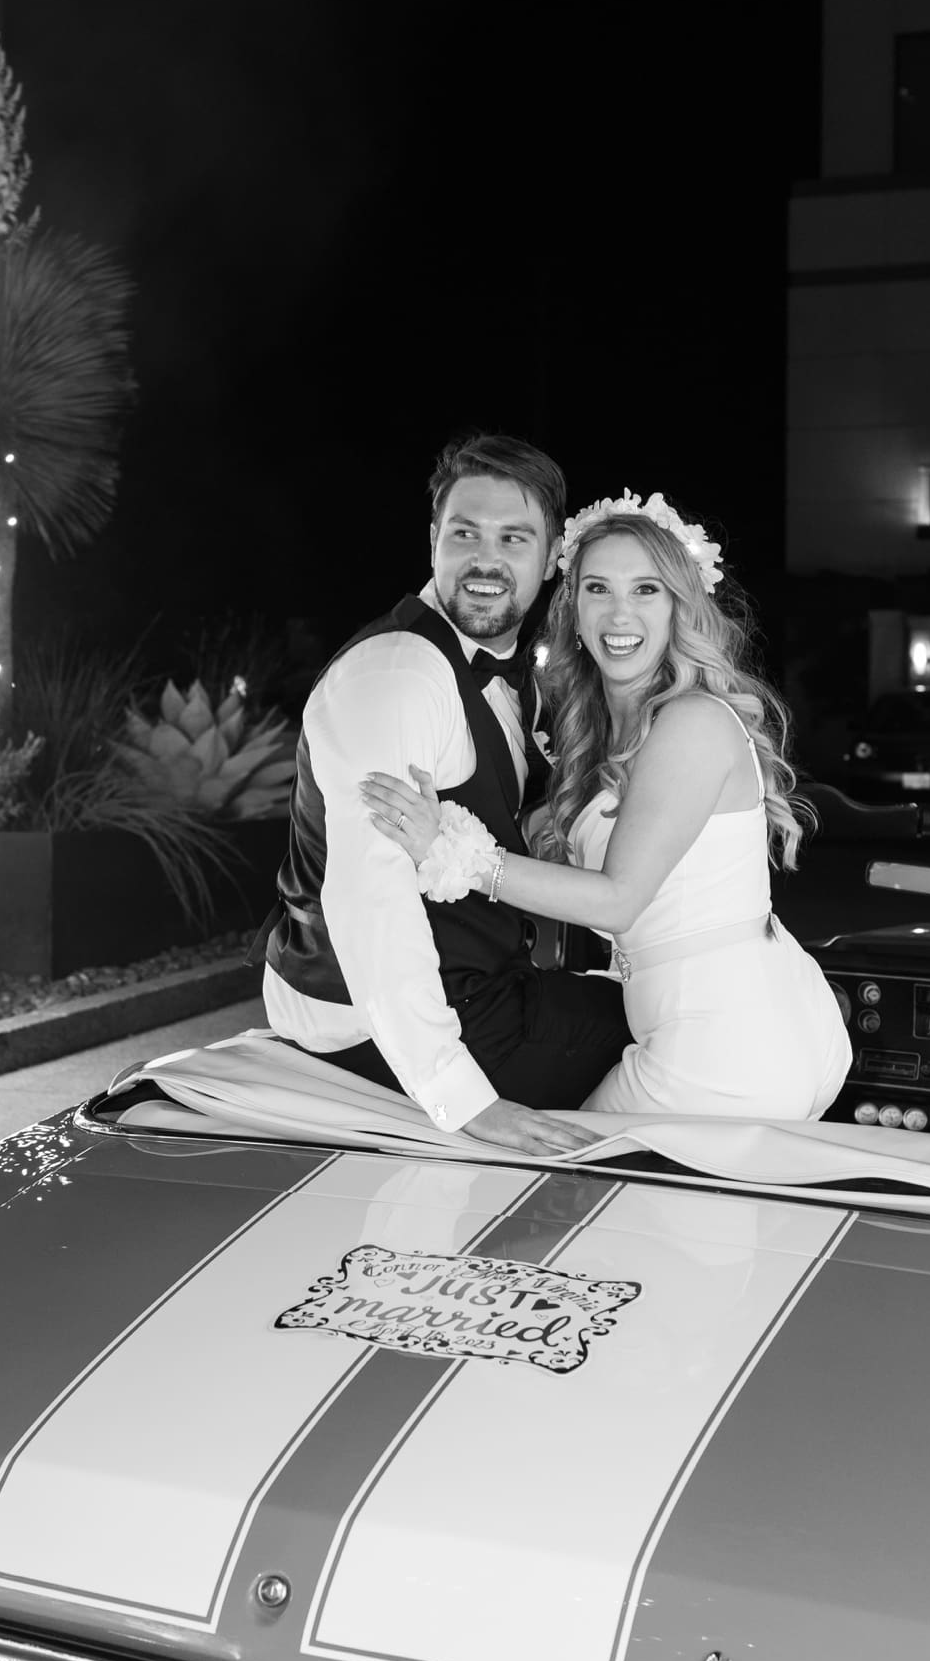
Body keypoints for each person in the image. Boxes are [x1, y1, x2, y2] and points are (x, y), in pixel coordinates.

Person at [362, 492, 851, 1120]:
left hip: (724, 1045)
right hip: (711, 1022)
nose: (620, 612)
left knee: (560, 1185)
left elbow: (618, 898)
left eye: (646, 589)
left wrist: (452, 853)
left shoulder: (692, 723)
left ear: (681, 606)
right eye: (598, 588)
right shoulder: (605, 733)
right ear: (573, 607)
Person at [260, 434, 632, 1157]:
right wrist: (463, 1101)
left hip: (471, 982)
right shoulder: (397, 676)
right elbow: (371, 903)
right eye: (465, 533)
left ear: (552, 554)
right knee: (665, 1033)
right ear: (433, 540)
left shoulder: (502, 672)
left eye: (513, 538)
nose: (486, 560)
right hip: (368, 1024)